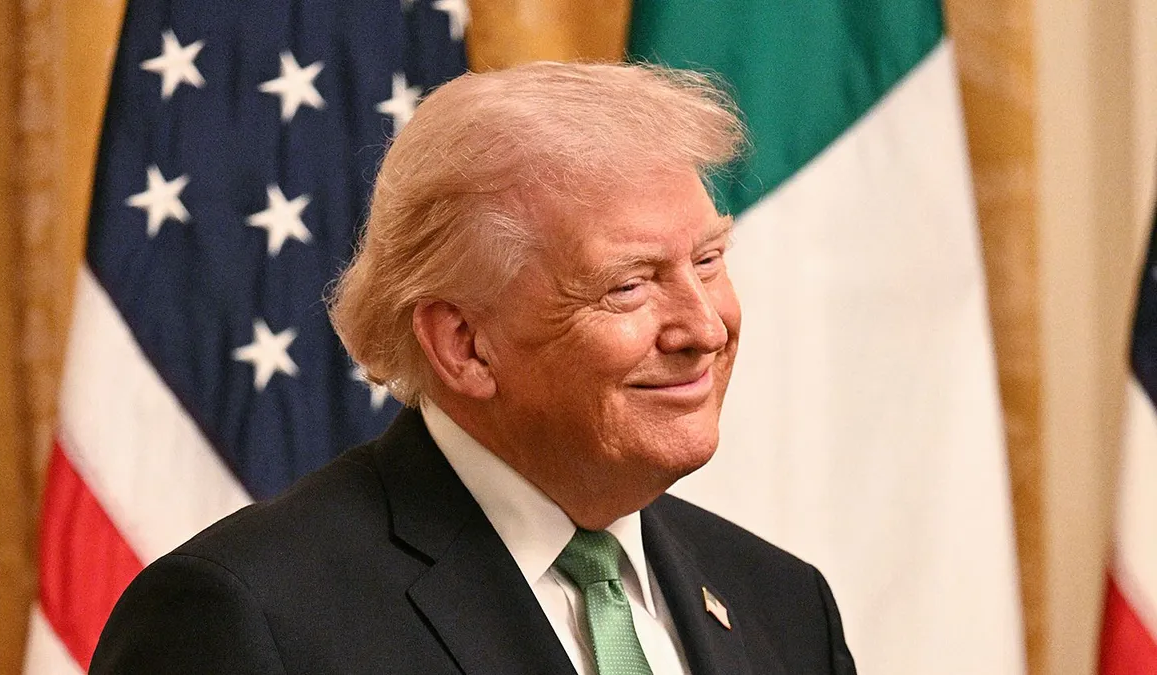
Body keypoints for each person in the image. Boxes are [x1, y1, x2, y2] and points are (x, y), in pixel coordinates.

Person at [91, 61, 857, 675]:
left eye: (708, 260)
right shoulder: (246, 620)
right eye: (629, 285)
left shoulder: (785, 606)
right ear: (464, 344)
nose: (705, 327)